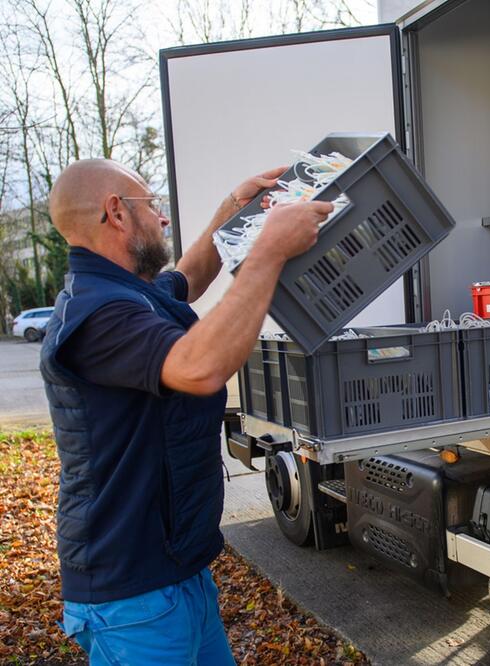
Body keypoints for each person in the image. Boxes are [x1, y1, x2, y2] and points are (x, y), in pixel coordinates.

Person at [39, 158, 332, 664]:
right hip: (133, 596)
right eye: (152, 205)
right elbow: (198, 368)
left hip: (178, 572)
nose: (164, 218)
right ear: (117, 213)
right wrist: (269, 250)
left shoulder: (128, 293)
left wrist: (232, 210)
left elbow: (187, 279)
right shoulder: (97, 315)